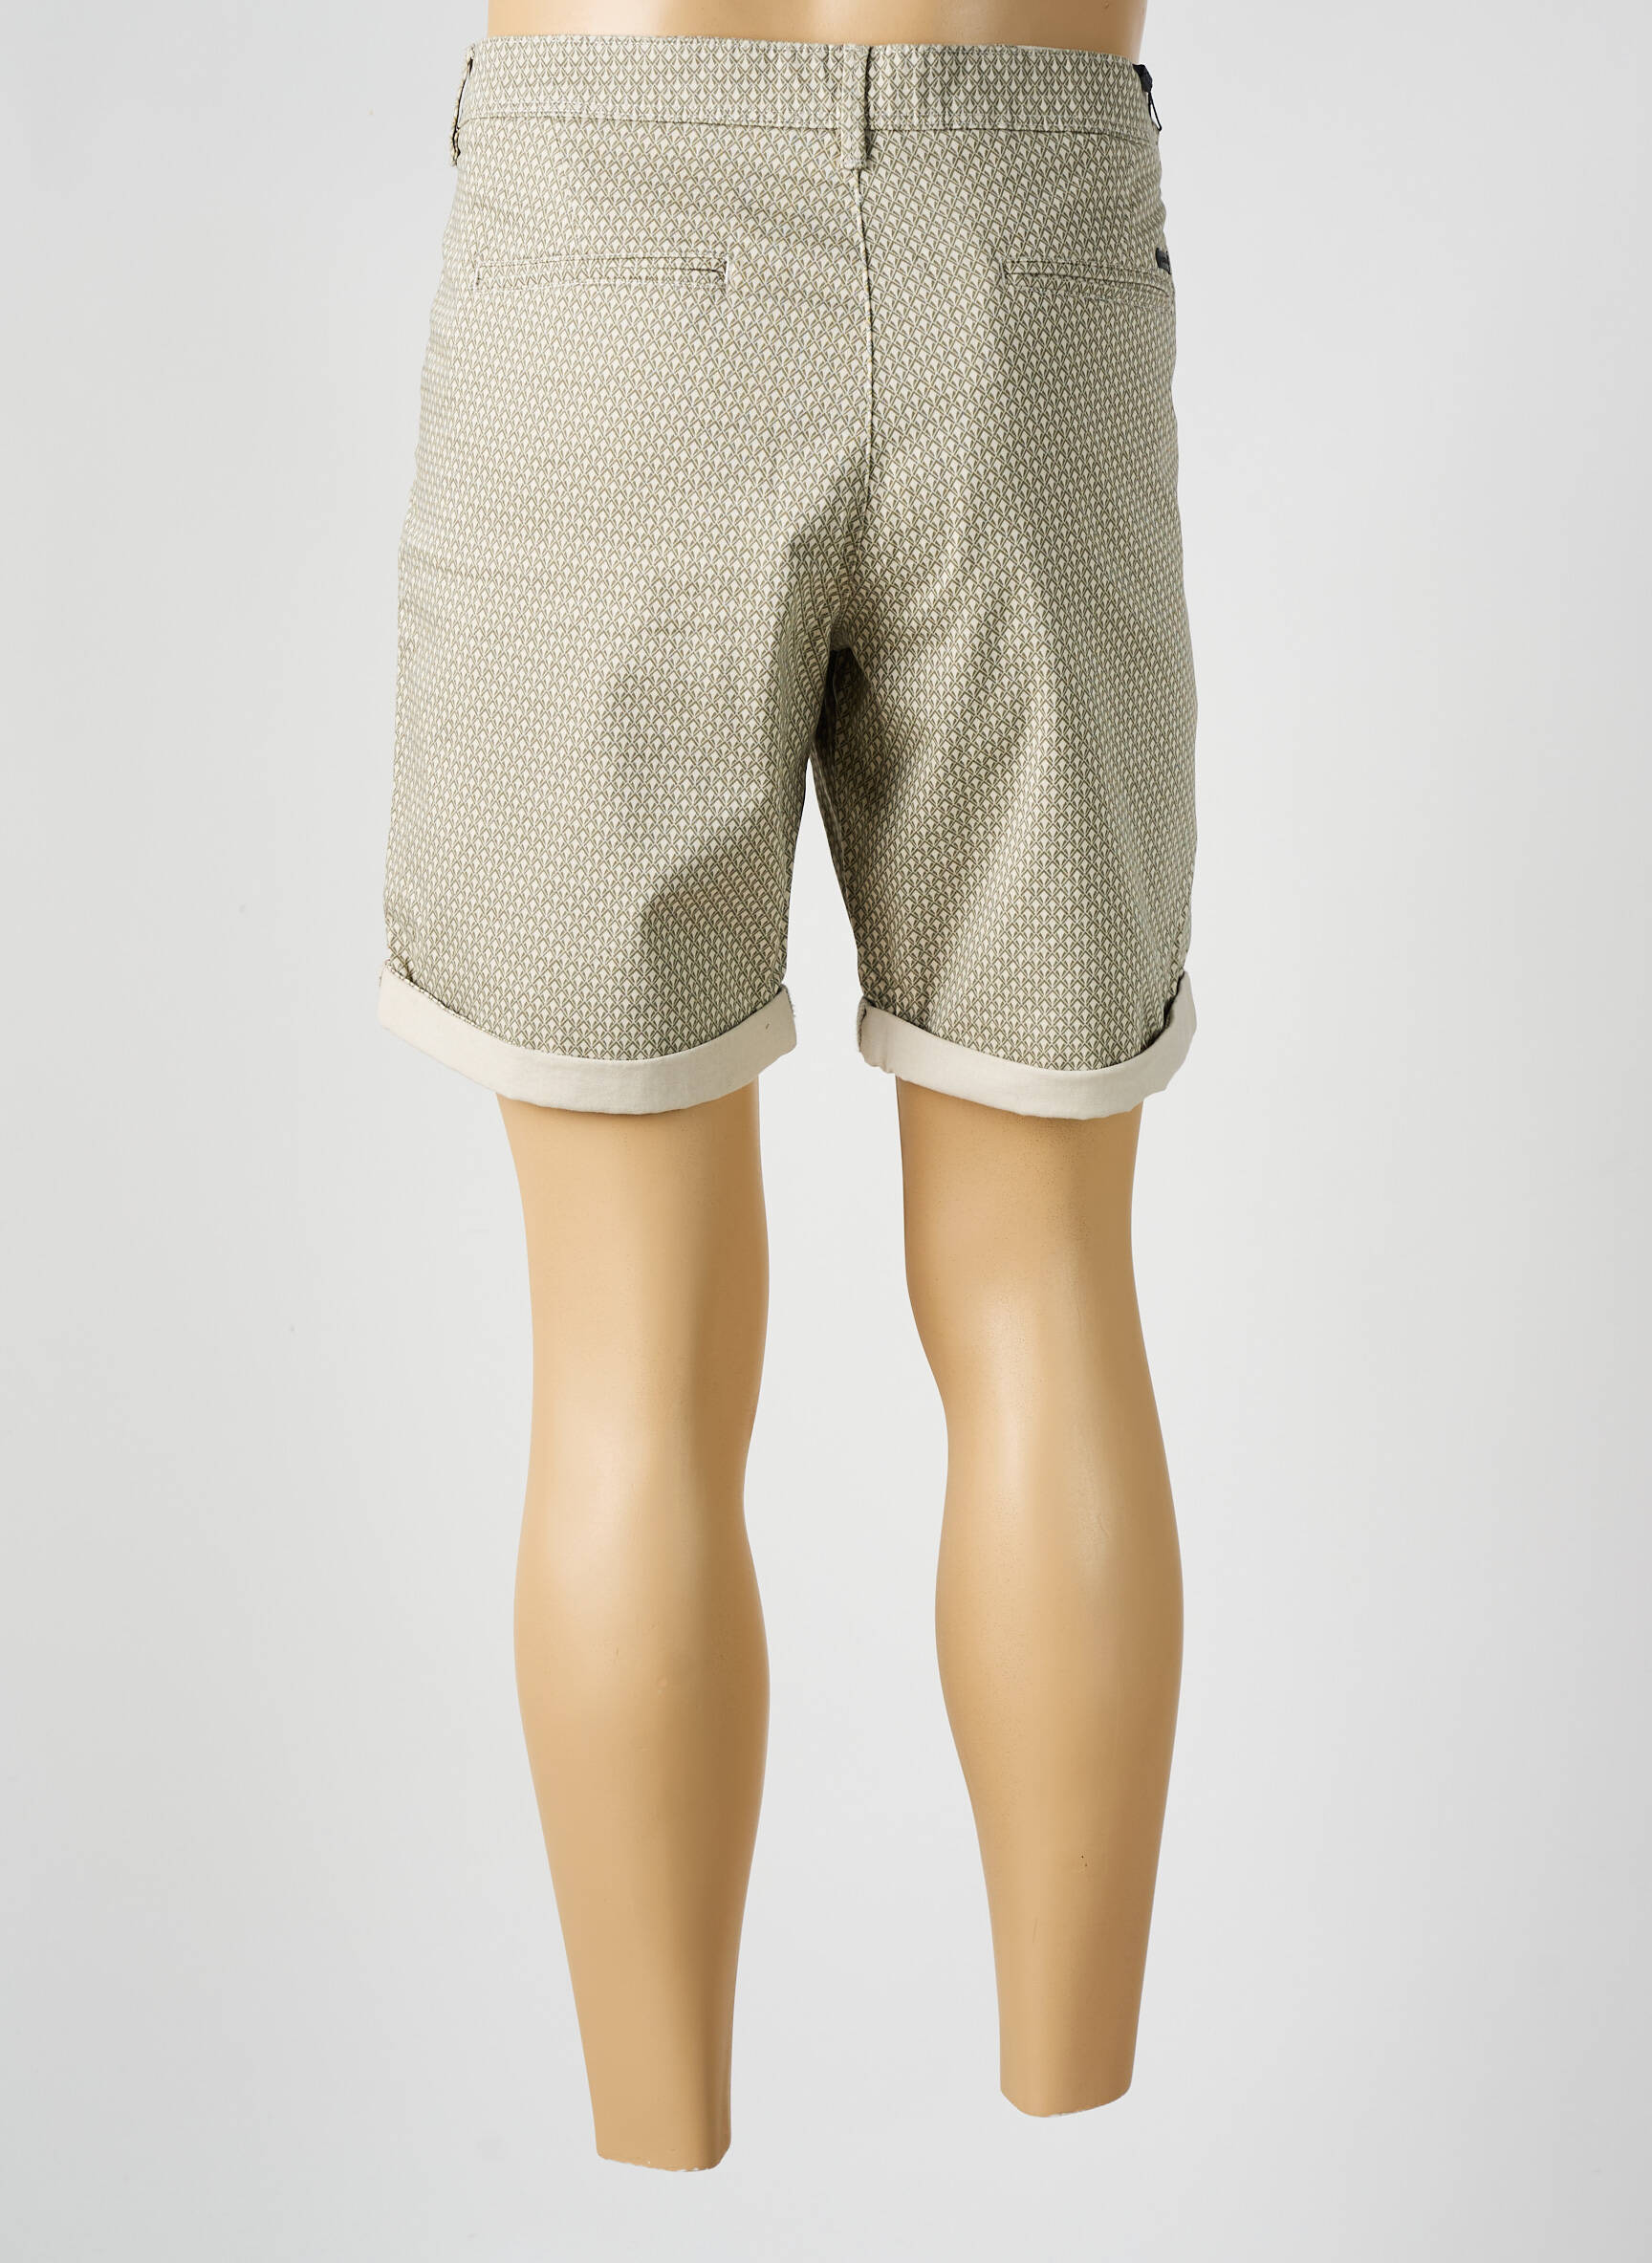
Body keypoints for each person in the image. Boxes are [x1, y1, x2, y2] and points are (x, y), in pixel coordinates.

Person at [379, 0, 1194, 2169]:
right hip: (1024, 215)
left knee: (620, 1357)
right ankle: (1072, 2134)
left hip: (608, 235)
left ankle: (659, 2148)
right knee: (1046, 1285)